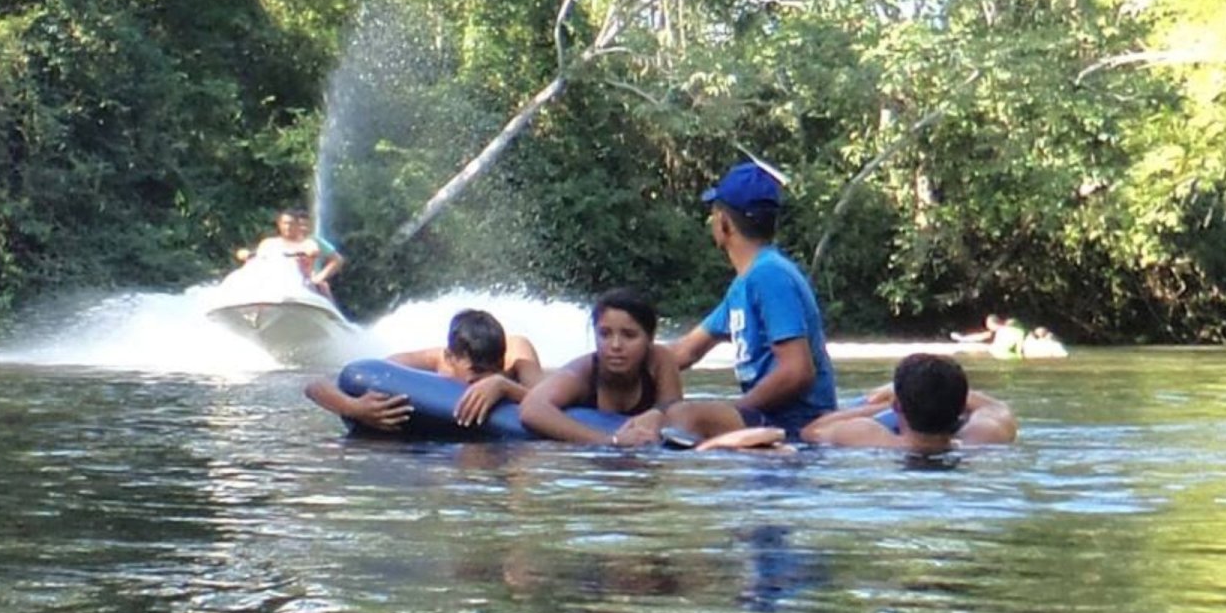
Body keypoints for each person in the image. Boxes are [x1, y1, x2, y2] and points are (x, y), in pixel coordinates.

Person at [661, 160, 837, 442]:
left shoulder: (769, 276)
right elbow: (684, 352)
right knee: (670, 415)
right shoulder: (746, 283)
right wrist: (615, 362)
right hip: (772, 419)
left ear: (724, 223)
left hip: (795, 425)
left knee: (687, 416)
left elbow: (797, 371)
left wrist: (735, 409)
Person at [305, 309, 543, 430]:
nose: (484, 381)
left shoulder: (517, 353)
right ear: (450, 358)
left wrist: (503, 385)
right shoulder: (426, 362)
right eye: (475, 373)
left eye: (493, 372)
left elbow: (548, 402)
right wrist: (352, 408)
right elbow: (316, 386)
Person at [518, 288, 684, 446]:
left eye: (629, 335)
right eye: (604, 334)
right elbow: (532, 408)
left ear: (650, 338)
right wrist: (609, 440)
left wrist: (658, 413)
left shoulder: (659, 360)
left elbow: (674, 408)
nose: (616, 345)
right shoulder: (583, 372)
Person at [796, 353, 1017, 453]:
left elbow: (811, 430)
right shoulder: (983, 437)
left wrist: (882, 403)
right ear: (961, 407)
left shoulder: (868, 436)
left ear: (897, 406)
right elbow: (997, 408)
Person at [240, 206, 345, 297]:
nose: (288, 227)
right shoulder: (269, 243)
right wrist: (246, 255)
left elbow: (318, 252)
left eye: (292, 224)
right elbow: (255, 258)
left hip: (302, 283)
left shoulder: (308, 242)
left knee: (323, 286)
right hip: (271, 282)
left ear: (296, 225)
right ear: (279, 224)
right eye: (285, 223)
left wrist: (318, 276)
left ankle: (331, 316)